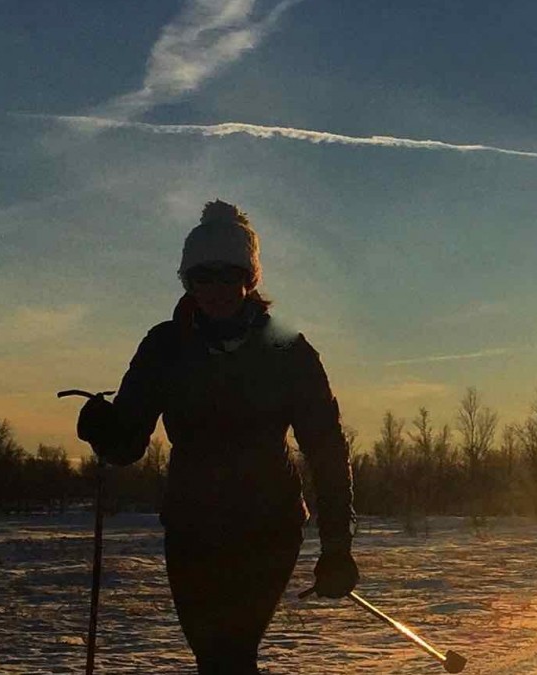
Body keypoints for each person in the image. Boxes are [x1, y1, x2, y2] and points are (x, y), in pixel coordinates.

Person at [76, 200, 357, 674]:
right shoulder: (165, 346)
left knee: (229, 656)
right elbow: (127, 445)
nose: (217, 289)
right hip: (192, 528)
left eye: (229, 275)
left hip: (268, 527)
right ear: (188, 281)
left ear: (250, 278)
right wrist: (101, 429)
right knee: (214, 658)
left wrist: (336, 548)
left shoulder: (288, 349)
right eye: (203, 276)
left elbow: (326, 451)